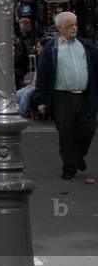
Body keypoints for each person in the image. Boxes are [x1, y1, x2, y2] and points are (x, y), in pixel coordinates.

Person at [34, 11, 98, 180]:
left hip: (85, 95)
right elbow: (43, 76)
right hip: (62, 97)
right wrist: (41, 100)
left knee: (89, 128)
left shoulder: (86, 46)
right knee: (66, 132)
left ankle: (77, 156)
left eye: (76, 24)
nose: (74, 28)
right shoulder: (51, 49)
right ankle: (68, 167)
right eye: (70, 26)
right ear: (59, 28)